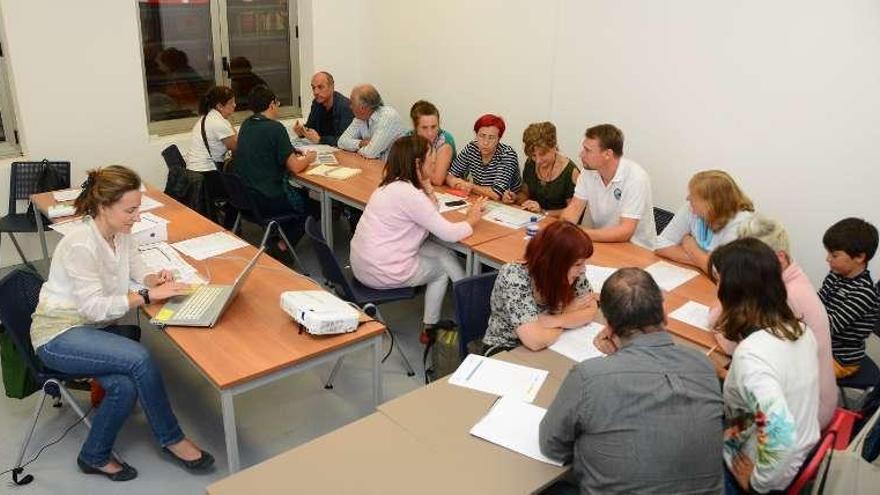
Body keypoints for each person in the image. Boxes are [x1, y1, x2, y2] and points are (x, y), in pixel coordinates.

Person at [29, 166, 213, 481]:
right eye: (130, 209)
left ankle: (93, 456)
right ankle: (172, 439)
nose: (137, 216)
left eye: (138, 208)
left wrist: (155, 279)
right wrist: (147, 295)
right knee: (139, 358)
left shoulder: (119, 232)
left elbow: (136, 265)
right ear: (103, 207)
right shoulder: (80, 245)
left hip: (88, 328)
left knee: (123, 386)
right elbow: (94, 308)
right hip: (58, 335)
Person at [539, 268, 723, 494]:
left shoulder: (589, 376)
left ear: (609, 326)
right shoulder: (702, 365)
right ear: (664, 315)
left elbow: (552, 447)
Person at [710, 238, 820, 494]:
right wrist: (730, 376)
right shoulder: (800, 330)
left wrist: (757, 483)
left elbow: (781, 434)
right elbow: (778, 386)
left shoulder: (751, 355)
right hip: (802, 457)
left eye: (718, 281)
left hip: (764, 473)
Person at [710, 216, 836, 429]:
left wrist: (717, 313)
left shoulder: (786, 297)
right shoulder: (789, 279)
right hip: (803, 404)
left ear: (778, 258)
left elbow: (730, 338)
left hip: (805, 415)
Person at [350, 135, 485, 330]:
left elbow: (430, 212)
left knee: (443, 253)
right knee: (440, 271)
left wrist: (428, 186)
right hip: (381, 271)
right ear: (417, 163)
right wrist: (472, 218)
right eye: (431, 157)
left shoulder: (391, 185)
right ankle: (432, 326)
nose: (434, 161)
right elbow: (449, 234)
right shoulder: (410, 195)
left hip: (364, 264)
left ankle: (471, 304)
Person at [481, 221, 598, 353]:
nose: (583, 270)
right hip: (506, 348)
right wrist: (568, 314)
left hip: (552, 344)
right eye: (577, 264)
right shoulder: (514, 276)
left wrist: (556, 319)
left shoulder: (574, 274)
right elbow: (534, 341)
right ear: (554, 263)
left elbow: (591, 309)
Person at [235, 85, 316, 248]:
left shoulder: (246, 125)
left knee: (303, 194)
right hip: (269, 198)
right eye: (277, 103)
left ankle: (279, 234)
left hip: (248, 197)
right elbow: (295, 167)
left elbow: (262, 149)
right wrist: (309, 158)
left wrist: (290, 151)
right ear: (272, 104)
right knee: (315, 206)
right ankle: (283, 246)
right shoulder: (275, 128)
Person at [560, 124, 656, 249]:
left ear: (607, 154)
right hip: (600, 241)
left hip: (636, 249)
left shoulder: (636, 178)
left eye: (587, 150)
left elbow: (625, 232)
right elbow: (574, 209)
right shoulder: (588, 171)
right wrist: (564, 228)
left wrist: (580, 233)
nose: (581, 154)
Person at [655, 170, 754, 273]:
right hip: (697, 276)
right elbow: (659, 244)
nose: (688, 198)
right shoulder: (690, 208)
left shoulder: (741, 224)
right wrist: (703, 262)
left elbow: (723, 272)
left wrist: (690, 246)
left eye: (693, 195)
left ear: (711, 203)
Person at [818, 217, 880, 378]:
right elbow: (817, 303)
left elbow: (829, 327)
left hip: (841, 359)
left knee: (792, 369)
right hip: (825, 346)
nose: (828, 259)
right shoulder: (835, 275)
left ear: (859, 257)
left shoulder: (864, 293)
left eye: (834, 255)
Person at [184, 85, 238, 224]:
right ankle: (229, 227)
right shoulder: (218, 122)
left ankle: (225, 220)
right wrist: (229, 122)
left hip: (195, 174)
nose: (235, 105)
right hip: (206, 177)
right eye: (231, 103)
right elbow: (237, 147)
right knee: (240, 191)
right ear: (220, 106)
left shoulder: (206, 118)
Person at [446, 114, 522, 201]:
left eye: (491, 138)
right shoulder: (471, 148)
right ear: (476, 135)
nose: (485, 142)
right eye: (482, 136)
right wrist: (456, 183)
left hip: (510, 205)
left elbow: (496, 194)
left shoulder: (507, 154)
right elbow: (450, 175)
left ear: (499, 139)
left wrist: (469, 186)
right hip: (481, 198)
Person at [513, 121, 579, 216]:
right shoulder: (530, 163)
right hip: (531, 219)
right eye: (534, 155)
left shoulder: (571, 172)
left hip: (557, 224)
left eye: (542, 154)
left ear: (554, 146)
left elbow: (573, 212)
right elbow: (525, 194)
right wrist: (515, 197)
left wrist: (543, 212)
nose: (538, 161)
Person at [337, 84, 406, 160]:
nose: (350, 106)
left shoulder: (388, 117)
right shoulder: (360, 118)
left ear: (363, 108)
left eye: (352, 103)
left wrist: (357, 148)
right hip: (373, 164)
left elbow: (370, 153)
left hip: (393, 167)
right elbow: (341, 142)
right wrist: (360, 143)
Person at [293, 71, 354, 147]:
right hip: (322, 149)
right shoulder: (316, 103)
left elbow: (346, 140)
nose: (316, 92)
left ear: (332, 87)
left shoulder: (346, 106)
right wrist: (302, 132)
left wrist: (320, 139)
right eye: (313, 88)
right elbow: (310, 127)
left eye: (320, 87)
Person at [407, 100, 456, 186]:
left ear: (439, 123)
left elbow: (437, 180)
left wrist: (415, 167)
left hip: (447, 192)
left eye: (434, 127)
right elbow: (398, 169)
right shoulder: (408, 137)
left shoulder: (445, 141)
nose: (430, 133)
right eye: (424, 128)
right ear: (415, 127)